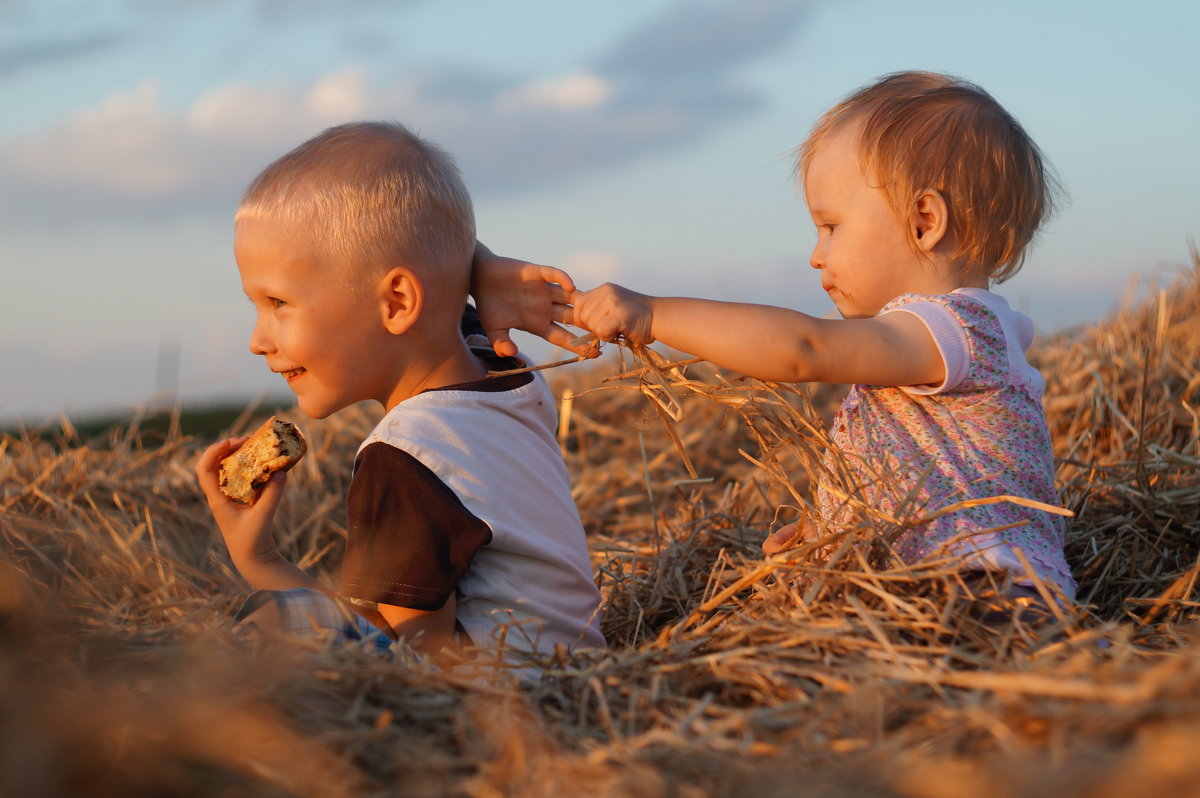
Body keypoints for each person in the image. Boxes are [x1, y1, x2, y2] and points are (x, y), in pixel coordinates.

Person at [495, 71, 1077, 604]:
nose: (816, 256)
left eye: (831, 227)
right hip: (923, 580)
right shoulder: (939, 339)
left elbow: (803, 350)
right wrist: (835, 528)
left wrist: (651, 314)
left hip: (985, 581)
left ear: (925, 221)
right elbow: (928, 472)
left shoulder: (956, 330)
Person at [194, 121, 605, 668]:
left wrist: (260, 558)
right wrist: (464, 257)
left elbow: (420, 660)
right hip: (581, 670)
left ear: (396, 302)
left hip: (509, 697)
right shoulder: (502, 371)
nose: (257, 341)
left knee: (269, 621)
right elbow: (441, 281)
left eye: (278, 303)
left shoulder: (408, 455)